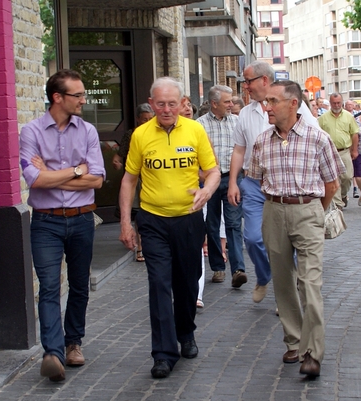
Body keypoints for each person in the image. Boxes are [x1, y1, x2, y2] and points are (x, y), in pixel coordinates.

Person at [119, 77, 220, 379]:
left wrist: (207, 190)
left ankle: (186, 332)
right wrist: (126, 222)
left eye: (171, 104)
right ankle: (163, 353)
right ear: (151, 104)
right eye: (160, 104)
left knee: (187, 283)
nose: (166, 109)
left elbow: (213, 171)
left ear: (181, 104)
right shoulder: (140, 135)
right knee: (159, 284)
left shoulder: (195, 130)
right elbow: (129, 179)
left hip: (188, 219)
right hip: (153, 221)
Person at [248, 80, 343, 378]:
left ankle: (313, 352)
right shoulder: (262, 141)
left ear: (293, 103)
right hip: (273, 211)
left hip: (308, 210)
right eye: (266, 101)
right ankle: (293, 341)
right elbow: (256, 179)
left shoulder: (319, 139)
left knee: (310, 282)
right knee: (283, 282)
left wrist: (314, 211)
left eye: (273, 101)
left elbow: (332, 184)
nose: (267, 107)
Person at [19, 69, 106, 382]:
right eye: (78, 95)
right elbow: (35, 180)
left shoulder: (87, 131)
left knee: (80, 285)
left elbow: (97, 178)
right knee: (50, 287)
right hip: (46, 223)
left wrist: (59, 175)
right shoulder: (31, 132)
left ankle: (73, 344)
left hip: (82, 218)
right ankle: (53, 353)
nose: (84, 100)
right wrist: (77, 171)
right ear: (58, 97)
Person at [228, 60, 318, 303]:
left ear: (264, 81)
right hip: (254, 184)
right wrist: (233, 183)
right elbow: (239, 149)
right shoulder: (245, 113)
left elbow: (315, 142)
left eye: (248, 81)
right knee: (254, 239)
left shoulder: (295, 108)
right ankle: (265, 275)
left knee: (289, 242)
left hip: (285, 184)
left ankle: (288, 292)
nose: (244, 86)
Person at [197, 85, 247, 287]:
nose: (231, 105)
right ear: (214, 103)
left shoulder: (236, 122)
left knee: (234, 223)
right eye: (227, 101)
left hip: (232, 179)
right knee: (212, 223)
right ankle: (218, 267)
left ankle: (238, 269)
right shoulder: (198, 126)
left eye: (232, 101)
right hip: (209, 181)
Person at [113, 103, 154, 262]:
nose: (148, 122)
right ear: (138, 119)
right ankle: (141, 247)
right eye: (144, 120)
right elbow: (118, 157)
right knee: (138, 214)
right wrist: (117, 165)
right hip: (136, 179)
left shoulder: (156, 134)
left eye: (151, 119)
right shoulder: (131, 135)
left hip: (152, 177)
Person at [317, 93, 359, 209]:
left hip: (345, 151)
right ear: (330, 103)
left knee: (347, 177)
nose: (336, 105)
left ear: (342, 102)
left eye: (338, 103)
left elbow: (354, 133)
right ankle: (338, 203)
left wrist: (355, 150)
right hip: (330, 152)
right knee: (334, 178)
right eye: (334, 103)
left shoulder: (349, 116)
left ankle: (344, 194)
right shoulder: (323, 118)